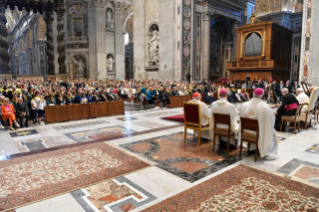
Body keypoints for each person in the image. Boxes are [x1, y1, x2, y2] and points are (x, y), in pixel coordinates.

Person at [240, 88, 278, 160]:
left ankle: (253, 147)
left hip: (246, 132)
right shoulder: (265, 107)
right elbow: (271, 121)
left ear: (253, 95)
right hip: (259, 133)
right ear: (262, 96)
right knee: (272, 132)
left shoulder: (244, 105)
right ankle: (265, 151)